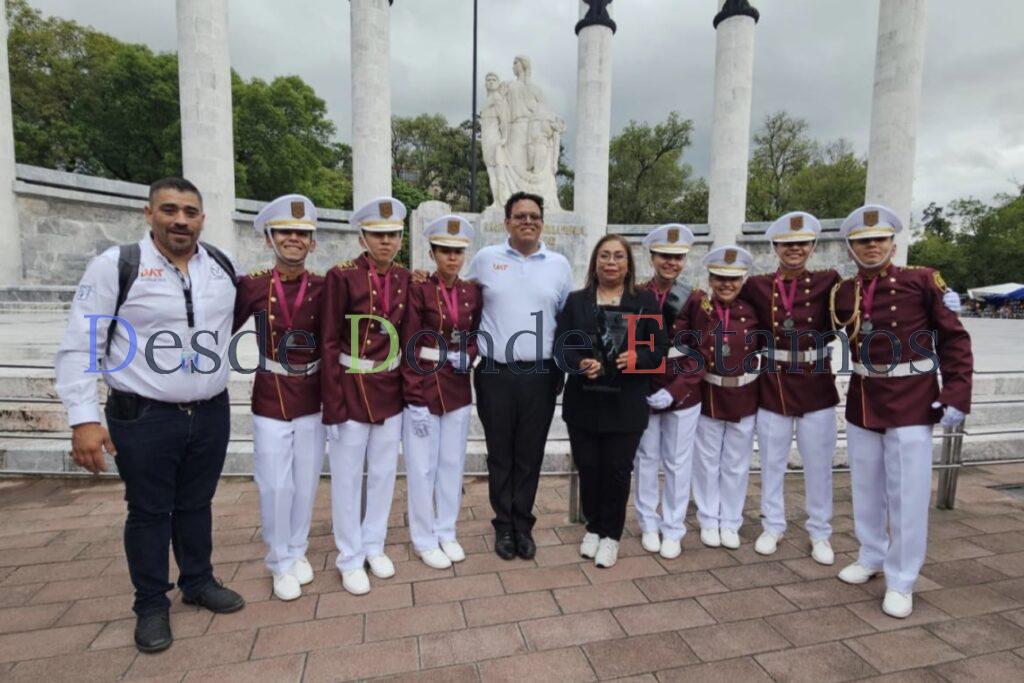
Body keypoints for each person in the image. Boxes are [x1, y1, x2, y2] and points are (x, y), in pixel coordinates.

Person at [54, 177, 245, 653]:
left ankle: (198, 581)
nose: (180, 220)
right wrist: (83, 418)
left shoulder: (221, 265)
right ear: (149, 214)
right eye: (169, 210)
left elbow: (232, 324)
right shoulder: (117, 266)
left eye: (190, 211)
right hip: (144, 416)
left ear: (202, 217)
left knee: (196, 504)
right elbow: (82, 342)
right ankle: (151, 605)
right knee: (148, 512)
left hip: (209, 411)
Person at [830, 204, 973, 619]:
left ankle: (902, 578)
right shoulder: (845, 291)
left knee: (907, 494)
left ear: (893, 242)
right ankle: (871, 554)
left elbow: (954, 341)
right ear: (851, 246)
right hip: (864, 397)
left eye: (878, 239)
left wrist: (956, 394)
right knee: (867, 487)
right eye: (862, 241)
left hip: (913, 398)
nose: (871, 247)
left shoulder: (923, 281)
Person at [467, 191, 573, 560]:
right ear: (506, 222)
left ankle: (523, 526)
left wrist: (562, 366)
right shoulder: (485, 260)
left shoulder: (559, 265)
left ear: (542, 221)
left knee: (530, 454)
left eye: (534, 216)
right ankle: (503, 527)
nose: (528, 221)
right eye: (520, 216)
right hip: (495, 372)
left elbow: (565, 320)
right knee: (500, 454)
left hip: (540, 374)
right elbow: (462, 302)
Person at [233, 194, 325, 601]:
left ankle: (298, 549)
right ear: (269, 238)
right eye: (285, 232)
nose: (294, 239)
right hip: (271, 393)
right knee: (274, 484)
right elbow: (219, 328)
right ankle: (278, 560)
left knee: (305, 481)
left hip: (313, 393)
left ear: (313, 243)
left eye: (302, 233)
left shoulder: (325, 287)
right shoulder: (252, 285)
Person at [555, 235, 668, 568]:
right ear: (595, 262)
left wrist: (638, 357)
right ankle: (593, 525)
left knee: (617, 471)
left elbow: (660, 350)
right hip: (585, 402)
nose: (611, 262)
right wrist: (578, 364)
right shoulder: (577, 302)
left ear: (628, 264)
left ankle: (611, 536)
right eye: (604, 255)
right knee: (589, 467)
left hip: (626, 403)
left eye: (618, 256)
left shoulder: (645, 301)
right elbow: (562, 347)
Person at [321, 196, 411, 595]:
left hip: (389, 389)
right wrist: (333, 404)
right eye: (378, 235)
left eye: (393, 235)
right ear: (362, 237)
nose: (386, 242)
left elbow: (408, 338)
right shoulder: (341, 277)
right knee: (346, 478)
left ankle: (374, 544)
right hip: (351, 388)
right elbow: (327, 342)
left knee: (383, 474)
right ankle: (349, 556)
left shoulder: (407, 278)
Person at [740, 212, 841, 565]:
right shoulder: (757, 285)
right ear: (775, 247)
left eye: (801, 243)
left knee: (818, 464)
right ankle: (773, 524)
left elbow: (854, 312)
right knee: (771, 461)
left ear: (812, 246)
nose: (794, 249)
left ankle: (820, 532)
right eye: (787, 244)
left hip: (815, 380)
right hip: (773, 382)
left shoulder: (830, 281)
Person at [401, 215, 482, 570]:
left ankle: (446, 530)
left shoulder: (471, 291)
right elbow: (409, 344)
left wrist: (472, 355)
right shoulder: (418, 289)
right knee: (422, 467)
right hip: (426, 383)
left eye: (458, 252)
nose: (452, 258)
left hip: (458, 386)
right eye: (445, 251)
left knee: (452, 464)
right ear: (432, 253)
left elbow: (479, 332)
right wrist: (415, 397)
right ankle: (423, 538)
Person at [633, 224, 704, 560]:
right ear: (652, 257)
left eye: (677, 258)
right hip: (644, 387)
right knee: (646, 459)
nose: (671, 263)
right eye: (665, 256)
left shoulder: (695, 298)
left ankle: (674, 527)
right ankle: (648, 522)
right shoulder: (635, 294)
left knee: (677, 462)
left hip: (682, 390)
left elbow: (702, 352)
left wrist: (677, 391)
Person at [688, 246, 760, 550]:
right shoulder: (699, 308)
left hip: (744, 392)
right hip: (709, 392)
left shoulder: (754, 310)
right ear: (710, 278)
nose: (726, 284)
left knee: (736, 463)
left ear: (742, 279)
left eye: (733, 278)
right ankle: (708, 518)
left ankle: (731, 521)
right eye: (719, 277)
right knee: (705, 462)